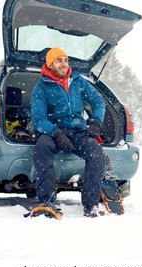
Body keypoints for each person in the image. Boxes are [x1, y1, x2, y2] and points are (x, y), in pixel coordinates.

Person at [31, 48, 106, 217]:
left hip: (77, 131)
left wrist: (95, 121)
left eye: (65, 60)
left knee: (96, 153)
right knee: (42, 148)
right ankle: (47, 201)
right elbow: (38, 118)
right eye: (58, 60)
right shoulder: (41, 87)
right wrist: (56, 133)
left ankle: (91, 204)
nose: (64, 64)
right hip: (53, 131)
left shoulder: (78, 81)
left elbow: (98, 101)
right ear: (50, 65)